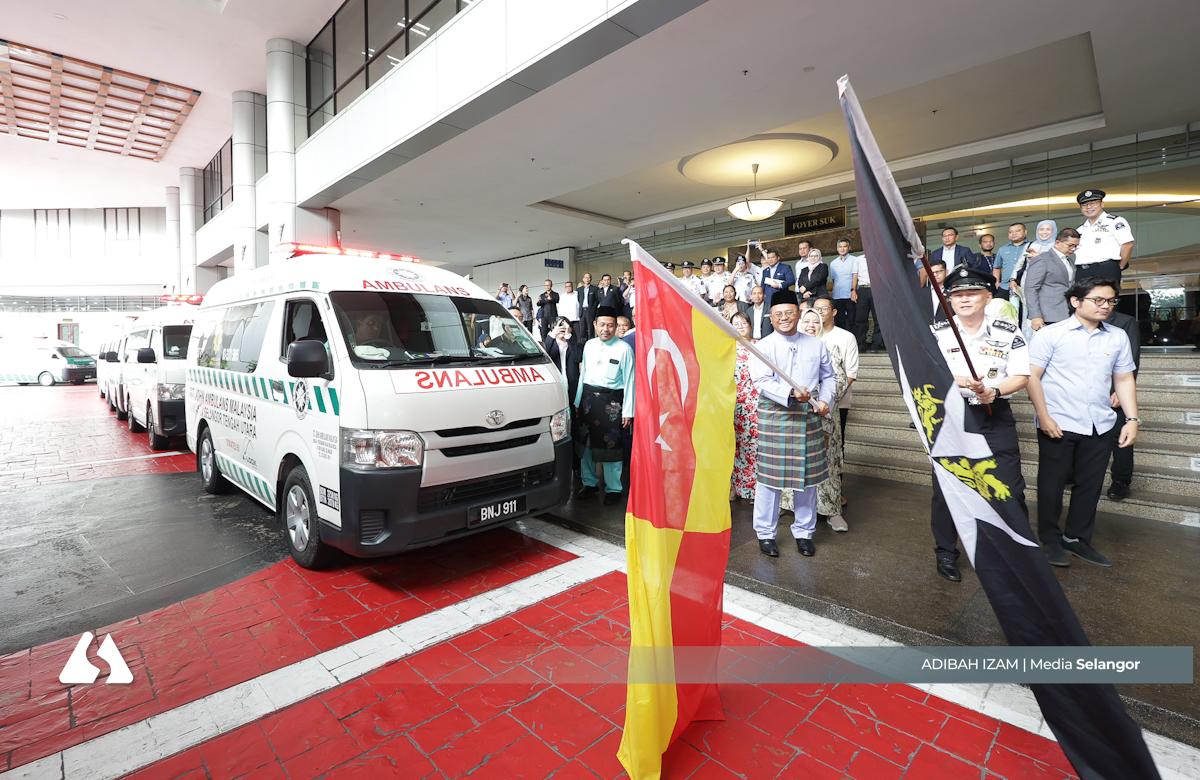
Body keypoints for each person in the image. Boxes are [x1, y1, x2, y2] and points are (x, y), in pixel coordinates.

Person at [929, 267, 1031, 582]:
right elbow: (926, 375)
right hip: (951, 417)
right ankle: (946, 552)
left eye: (971, 293)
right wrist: (956, 380)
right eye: (957, 294)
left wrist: (995, 390)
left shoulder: (1007, 331)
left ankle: (1019, 550)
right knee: (947, 489)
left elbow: (1021, 375)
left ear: (988, 296)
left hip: (993, 414)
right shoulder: (935, 332)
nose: (964, 299)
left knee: (1011, 487)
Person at [1027, 278, 1138, 569]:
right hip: (1059, 422)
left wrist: (1132, 419)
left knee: (1090, 485)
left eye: (1111, 301)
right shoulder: (1051, 334)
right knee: (1051, 484)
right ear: (1076, 301)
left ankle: (1077, 538)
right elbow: (1032, 377)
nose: (1106, 306)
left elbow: (1123, 378)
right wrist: (1044, 416)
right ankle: (1050, 539)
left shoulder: (1117, 337)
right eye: (1098, 300)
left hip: (1100, 423)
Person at [749, 289, 835, 558]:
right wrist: (788, 394)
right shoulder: (762, 347)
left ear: (798, 314)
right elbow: (761, 381)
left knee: (807, 478)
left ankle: (804, 532)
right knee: (769, 480)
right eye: (778, 315)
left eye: (789, 313)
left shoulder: (816, 343)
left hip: (808, 416)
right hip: (776, 415)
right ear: (771, 318)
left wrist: (826, 401)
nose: (784, 318)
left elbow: (829, 377)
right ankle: (765, 533)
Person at [783, 307, 850, 532]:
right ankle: (790, 505)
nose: (811, 325)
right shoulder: (790, 349)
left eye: (815, 321)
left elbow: (839, 379)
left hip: (823, 414)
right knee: (794, 461)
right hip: (795, 414)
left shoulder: (829, 348)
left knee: (826, 464)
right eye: (807, 321)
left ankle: (831, 511)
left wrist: (823, 401)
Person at [574, 306, 635, 505]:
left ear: (616, 327)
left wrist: (628, 411)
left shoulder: (624, 349)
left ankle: (614, 488)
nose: (606, 329)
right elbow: (583, 376)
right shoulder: (589, 345)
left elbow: (630, 382)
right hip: (588, 401)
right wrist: (577, 402)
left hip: (612, 404)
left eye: (610, 325)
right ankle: (589, 483)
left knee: (611, 447)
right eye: (602, 325)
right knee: (586, 446)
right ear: (594, 325)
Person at [812, 294, 859, 444]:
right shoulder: (808, 335)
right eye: (816, 308)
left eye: (824, 308)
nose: (819, 312)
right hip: (810, 402)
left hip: (838, 400)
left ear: (834, 312)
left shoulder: (846, 337)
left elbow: (851, 373)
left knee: (836, 442)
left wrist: (828, 398)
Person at [1104, 309, 1140, 501]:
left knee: (1121, 437)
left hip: (1115, 389)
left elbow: (1132, 358)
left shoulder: (1126, 322)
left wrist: (1119, 391)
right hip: (1084, 394)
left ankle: (1121, 481)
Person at [1075, 189, 1135, 286]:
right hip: (1083, 271)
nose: (1089, 207)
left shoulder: (1115, 221)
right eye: (1084, 205)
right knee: (1083, 300)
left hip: (1105, 269)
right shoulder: (1080, 230)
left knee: (1105, 300)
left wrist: (1119, 266)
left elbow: (1128, 244)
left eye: (1093, 203)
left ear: (1102, 204)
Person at [1025, 228, 1082, 331]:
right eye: (1070, 245)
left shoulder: (1071, 258)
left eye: (1076, 246)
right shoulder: (1042, 260)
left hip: (1067, 312)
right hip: (1047, 314)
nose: (1073, 249)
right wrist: (1035, 315)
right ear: (1057, 242)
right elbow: (1031, 289)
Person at [730, 312, 760, 502]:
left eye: (743, 323)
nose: (740, 326)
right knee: (734, 445)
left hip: (755, 402)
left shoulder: (759, 346)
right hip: (732, 402)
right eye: (735, 323)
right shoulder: (726, 348)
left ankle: (754, 489)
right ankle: (734, 486)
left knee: (754, 446)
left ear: (750, 325)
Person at [851, 253, 882, 351]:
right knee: (860, 318)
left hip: (877, 288)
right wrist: (853, 290)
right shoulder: (858, 259)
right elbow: (855, 276)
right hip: (863, 290)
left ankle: (876, 344)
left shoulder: (879, 257)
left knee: (878, 318)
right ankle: (861, 344)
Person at [993, 223, 1029, 301]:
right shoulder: (1002, 249)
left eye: (1018, 231)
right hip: (1005, 287)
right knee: (1004, 311)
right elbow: (996, 267)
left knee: (1024, 312)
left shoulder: (1031, 247)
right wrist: (997, 283)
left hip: (1025, 287)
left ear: (1025, 232)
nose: (1014, 234)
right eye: (1011, 232)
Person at [828, 239, 857, 330]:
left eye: (844, 246)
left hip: (850, 295)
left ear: (849, 247)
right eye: (840, 247)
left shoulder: (855, 260)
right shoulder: (833, 263)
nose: (842, 249)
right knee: (839, 320)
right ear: (837, 248)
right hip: (837, 296)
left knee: (852, 320)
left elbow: (856, 277)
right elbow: (834, 280)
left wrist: (854, 291)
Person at [576, 273, 597, 342]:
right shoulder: (579, 290)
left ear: (590, 279)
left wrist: (593, 309)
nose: (587, 279)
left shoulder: (595, 289)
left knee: (590, 329)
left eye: (589, 277)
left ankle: (591, 344)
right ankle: (582, 346)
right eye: (586, 277)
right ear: (583, 279)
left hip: (590, 311)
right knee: (582, 330)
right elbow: (578, 300)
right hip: (582, 311)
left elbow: (597, 300)